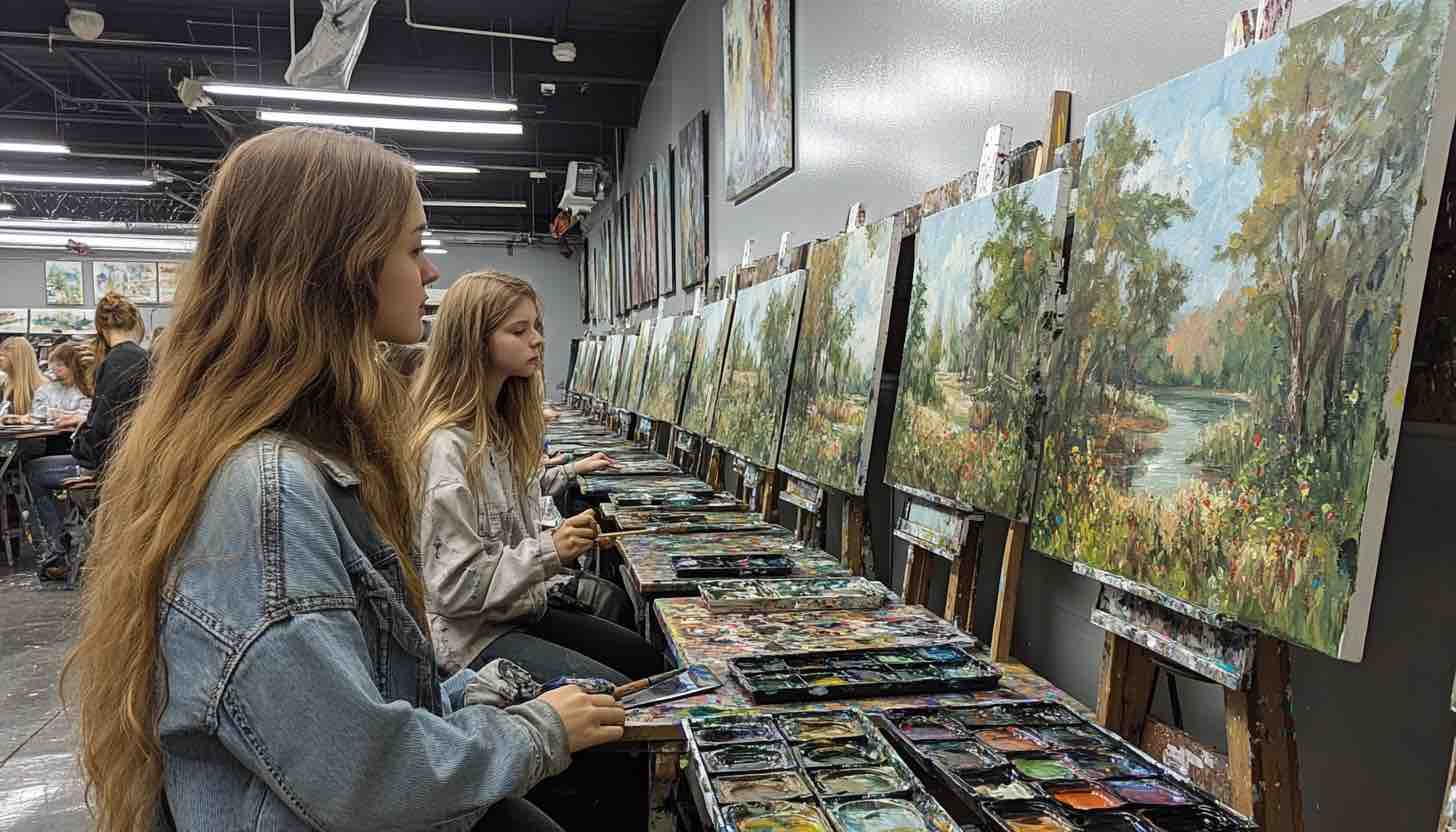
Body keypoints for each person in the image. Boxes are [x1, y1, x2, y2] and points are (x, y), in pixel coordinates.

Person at [62, 127, 624, 832]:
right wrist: (536, 729)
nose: (429, 272)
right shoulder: (266, 491)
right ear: (341, 267)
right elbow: (358, 769)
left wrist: (474, 700)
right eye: (413, 249)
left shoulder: (296, 460)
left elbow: (358, 697)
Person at [411, 271, 661, 683]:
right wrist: (550, 550)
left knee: (644, 659)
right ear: (475, 341)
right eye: (519, 330)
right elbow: (454, 589)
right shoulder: (447, 447)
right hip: (470, 638)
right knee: (617, 694)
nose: (538, 340)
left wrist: (559, 541)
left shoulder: (498, 429)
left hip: (516, 610)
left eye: (536, 327)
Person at [25, 342, 96, 578]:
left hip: (87, 459)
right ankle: (60, 540)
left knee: (34, 472)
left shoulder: (87, 390)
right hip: (79, 453)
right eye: (53, 364)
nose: (55, 369)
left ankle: (58, 545)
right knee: (34, 469)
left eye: (61, 365)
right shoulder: (50, 389)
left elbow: (88, 417)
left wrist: (74, 417)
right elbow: (39, 413)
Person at [71, 292, 149, 473]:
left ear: (100, 328)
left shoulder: (115, 362)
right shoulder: (144, 358)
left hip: (117, 465)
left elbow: (101, 433)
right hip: (136, 457)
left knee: (35, 471)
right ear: (137, 322)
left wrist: (77, 443)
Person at [0, 336, 47, 420]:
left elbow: (43, 419)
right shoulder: (5, 384)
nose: (0, 359)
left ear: (16, 359)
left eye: (3, 355)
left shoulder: (42, 389)